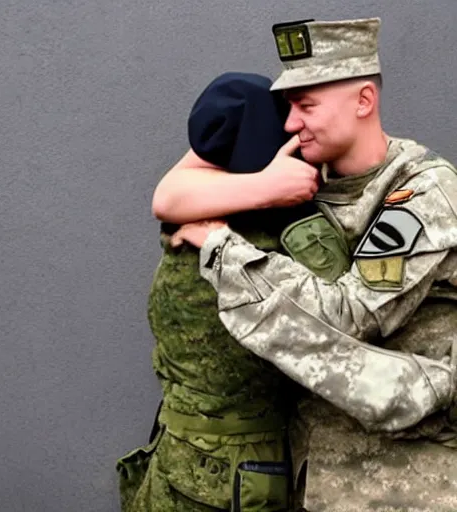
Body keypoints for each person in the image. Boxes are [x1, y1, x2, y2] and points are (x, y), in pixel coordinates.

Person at [170, 17, 457, 512]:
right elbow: (170, 196)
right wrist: (260, 187)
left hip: (406, 485)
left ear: (364, 101)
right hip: (313, 479)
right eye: (287, 107)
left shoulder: (422, 193)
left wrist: (220, 245)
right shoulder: (302, 181)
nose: (289, 123)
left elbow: (349, 315)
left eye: (307, 106)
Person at [117, 72, 319, 511]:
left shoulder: (187, 223)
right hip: (234, 472)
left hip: (191, 462)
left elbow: (171, 192)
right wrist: (275, 183)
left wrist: (261, 178)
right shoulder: (278, 244)